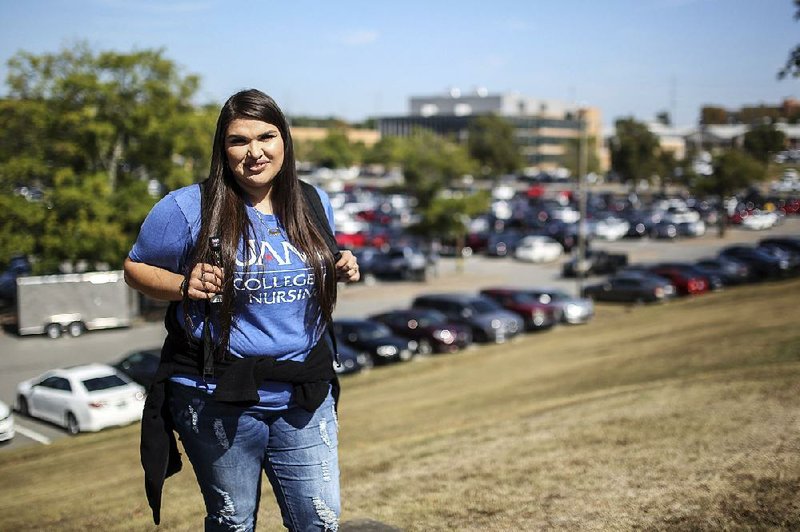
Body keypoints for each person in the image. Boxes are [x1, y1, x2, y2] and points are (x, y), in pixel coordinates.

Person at [124, 88, 360, 532]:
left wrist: (339, 263)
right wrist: (182, 284)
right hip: (215, 397)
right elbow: (135, 268)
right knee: (233, 522)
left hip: (303, 395)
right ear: (223, 148)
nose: (255, 152)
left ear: (284, 141)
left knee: (319, 520)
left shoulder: (312, 201)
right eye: (239, 141)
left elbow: (316, 261)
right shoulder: (185, 207)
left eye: (266, 137)